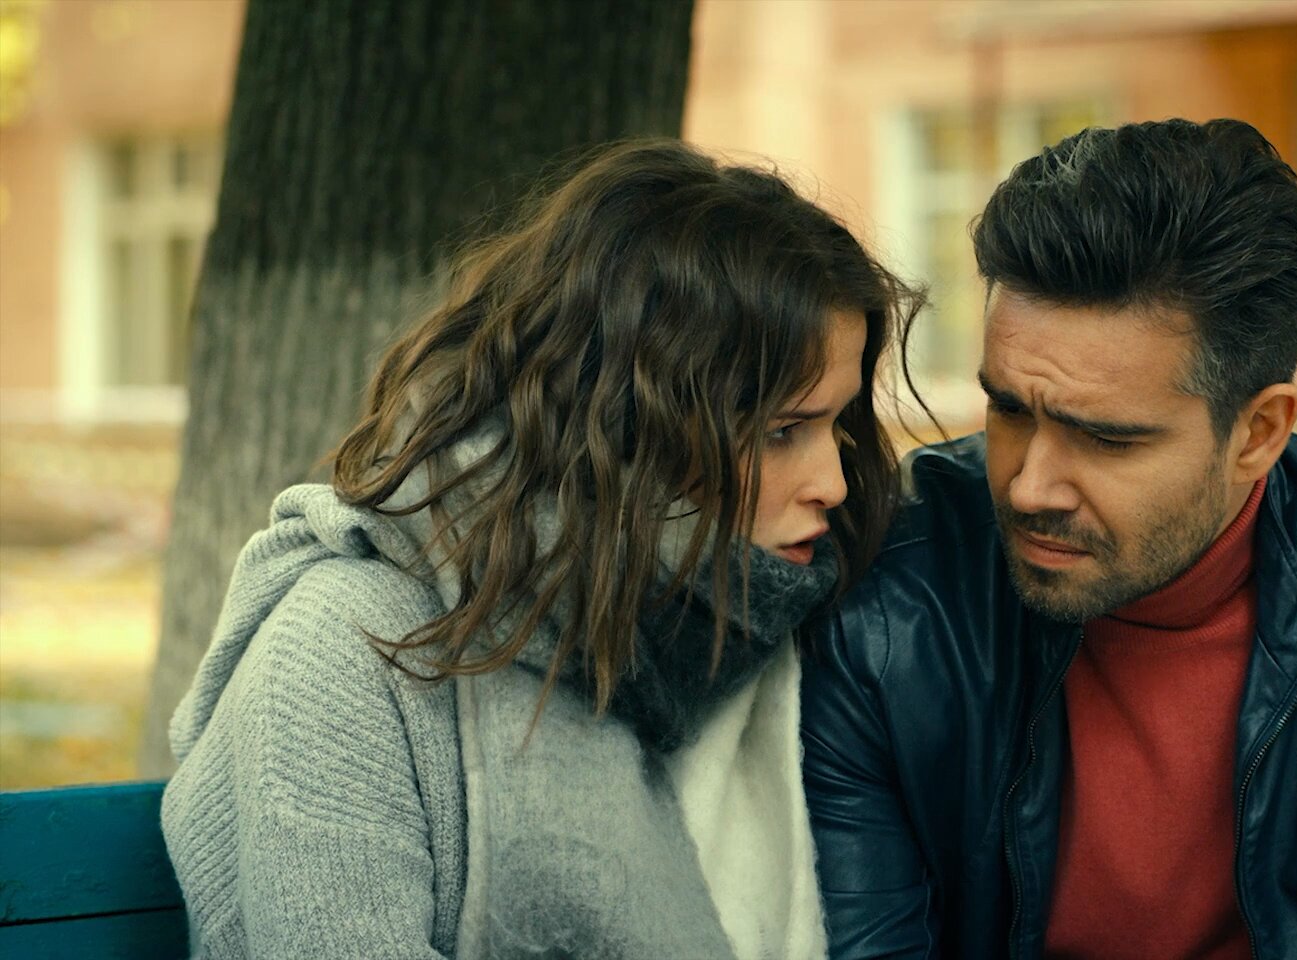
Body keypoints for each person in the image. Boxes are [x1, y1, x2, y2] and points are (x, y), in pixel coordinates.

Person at [802, 119, 1297, 959]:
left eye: (1107, 438)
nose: (1029, 487)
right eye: (1009, 410)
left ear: (1259, 433)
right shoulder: (885, 588)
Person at [161, 139, 921, 959]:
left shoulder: (737, 636)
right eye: (780, 432)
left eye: (838, 426)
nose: (832, 483)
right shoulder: (340, 654)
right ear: (626, 429)